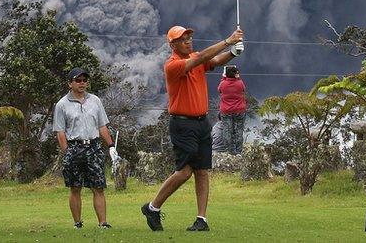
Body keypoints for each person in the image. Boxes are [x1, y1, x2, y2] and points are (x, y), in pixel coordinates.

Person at [141, 26, 244, 232]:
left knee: (202, 171)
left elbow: (213, 61)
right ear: (172, 45)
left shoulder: (196, 57)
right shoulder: (173, 65)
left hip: (202, 122)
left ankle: (201, 220)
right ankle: (153, 207)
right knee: (185, 172)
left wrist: (232, 53)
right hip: (182, 124)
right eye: (182, 39)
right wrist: (228, 41)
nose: (188, 41)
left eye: (189, 38)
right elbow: (198, 60)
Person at [53, 67, 118, 229]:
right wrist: (66, 152)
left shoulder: (95, 100)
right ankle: (77, 223)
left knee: (98, 187)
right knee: (75, 187)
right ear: (70, 83)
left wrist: (111, 146)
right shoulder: (62, 104)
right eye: (78, 80)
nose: (82, 83)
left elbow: (102, 126)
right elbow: (60, 132)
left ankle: (103, 223)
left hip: (94, 147)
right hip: (74, 147)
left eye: (84, 80)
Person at [217, 66, 247, 155]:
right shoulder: (240, 83)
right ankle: (238, 151)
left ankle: (229, 151)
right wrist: (238, 78)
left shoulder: (223, 84)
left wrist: (223, 78)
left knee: (227, 130)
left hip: (226, 111)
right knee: (238, 130)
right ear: (236, 74)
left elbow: (219, 90)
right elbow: (243, 89)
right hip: (239, 110)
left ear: (226, 74)